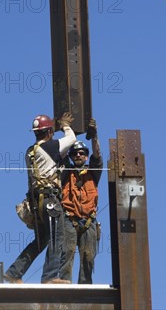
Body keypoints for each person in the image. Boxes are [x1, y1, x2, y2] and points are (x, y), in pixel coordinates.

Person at [4, 112, 76, 284]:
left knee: (41, 239)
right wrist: (65, 125)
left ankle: (15, 272)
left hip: (37, 202)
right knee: (56, 238)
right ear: (49, 131)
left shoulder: (30, 151)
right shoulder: (50, 147)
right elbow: (71, 138)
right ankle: (50, 277)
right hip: (50, 199)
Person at [58, 118, 102, 284]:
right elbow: (60, 154)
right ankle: (64, 287)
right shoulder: (65, 172)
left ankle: (85, 287)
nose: (78, 155)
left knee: (88, 257)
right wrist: (68, 132)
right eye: (75, 153)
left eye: (82, 153)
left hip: (89, 221)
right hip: (69, 219)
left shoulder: (93, 173)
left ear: (86, 156)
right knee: (67, 254)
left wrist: (95, 136)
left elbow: (97, 155)